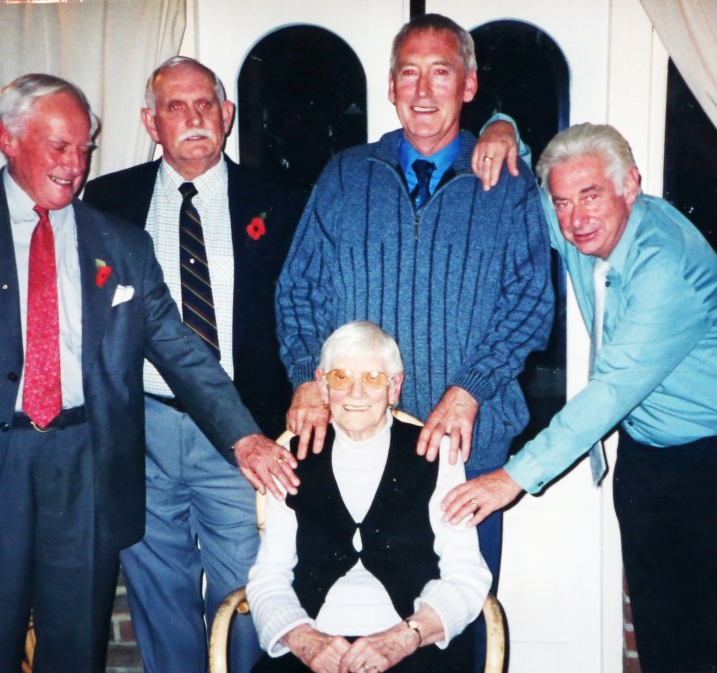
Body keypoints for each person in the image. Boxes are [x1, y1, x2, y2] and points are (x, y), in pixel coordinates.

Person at [0, 73, 299, 673]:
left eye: (84, 149)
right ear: (6, 138)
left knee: (76, 646)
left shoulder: (119, 242)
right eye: (59, 147)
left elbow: (180, 349)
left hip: (86, 467)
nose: (74, 166)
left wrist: (243, 435)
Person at [445, 123, 717, 673]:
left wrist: (511, 478)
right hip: (650, 457)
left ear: (631, 187)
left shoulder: (666, 264)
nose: (575, 219)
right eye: (565, 201)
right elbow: (525, 178)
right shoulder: (581, 223)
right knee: (661, 631)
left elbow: (610, 392)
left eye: (591, 196)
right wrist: (503, 129)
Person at [275, 14, 553, 665]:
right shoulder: (345, 176)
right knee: (345, 617)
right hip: (353, 446)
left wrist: (469, 389)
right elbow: (299, 293)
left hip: (468, 441)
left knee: (454, 623)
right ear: (390, 84)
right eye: (409, 71)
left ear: (469, 85)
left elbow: (529, 302)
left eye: (441, 72)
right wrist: (306, 380)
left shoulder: (507, 183)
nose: (423, 90)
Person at [83, 56, 305, 673]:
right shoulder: (105, 202)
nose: (194, 118)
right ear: (151, 123)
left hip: (242, 431)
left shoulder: (279, 201)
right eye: (176, 108)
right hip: (143, 428)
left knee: (247, 588)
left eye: (206, 104)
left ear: (227, 115)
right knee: (158, 591)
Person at [248, 321, 491, 673]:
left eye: (374, 378)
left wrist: (403, 637)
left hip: (412, 645)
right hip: (313, 646)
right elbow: (269, 576)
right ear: (322, 385)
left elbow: (466, 573)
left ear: (395, 388)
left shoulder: (437, 454)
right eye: (341, 378)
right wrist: (304, 640)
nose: (356, 393)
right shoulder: (291, 457)